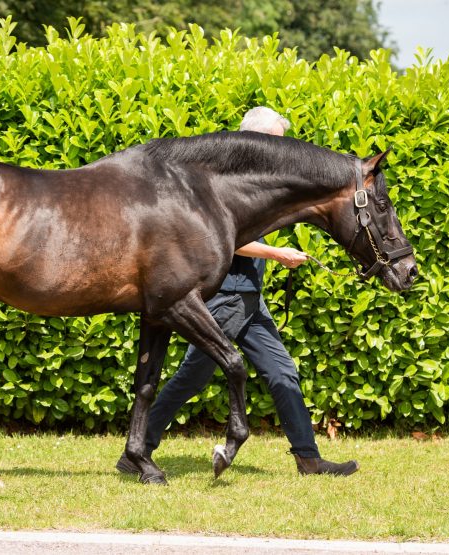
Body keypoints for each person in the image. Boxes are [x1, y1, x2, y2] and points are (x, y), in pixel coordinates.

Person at [118, 107, 359, 477]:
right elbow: (219, 239)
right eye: (275, 142)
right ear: (256, 138)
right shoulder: (219, 176)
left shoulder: (253, 182)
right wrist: (276, 253)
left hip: (249, 296)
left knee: (282, 373)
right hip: (225, 295)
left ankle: (308, 458)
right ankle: (138, 448)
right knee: (191, 379)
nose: (281, 152)